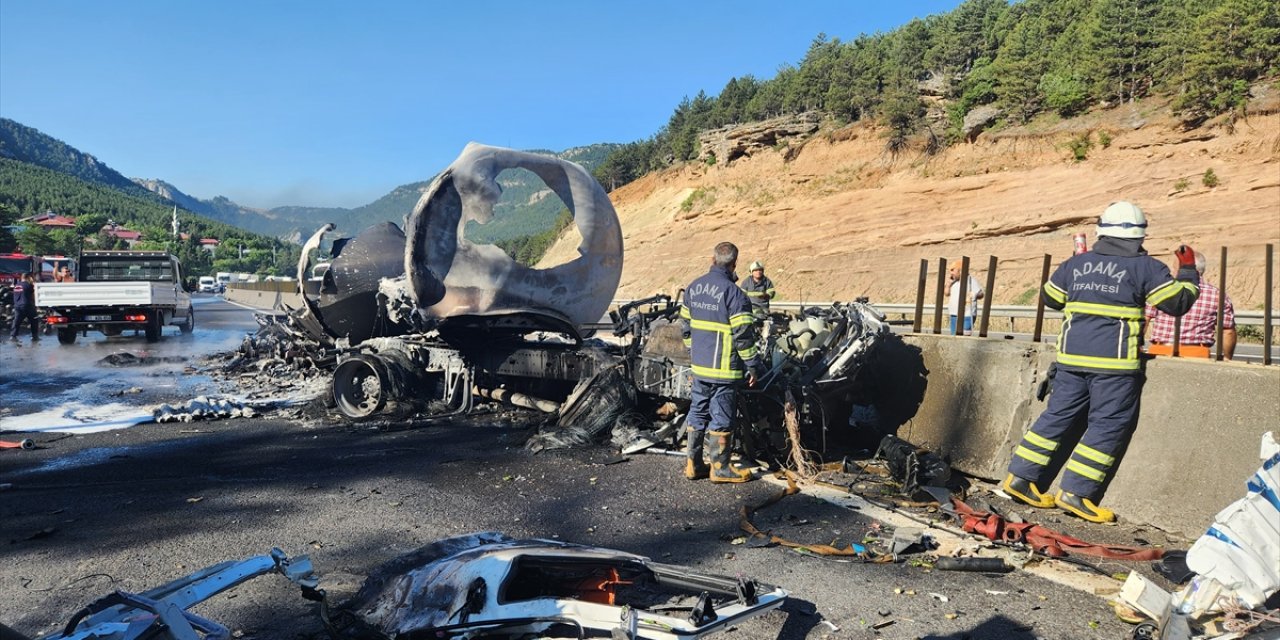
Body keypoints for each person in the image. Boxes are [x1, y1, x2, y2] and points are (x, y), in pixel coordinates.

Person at [1001, 201, 1199, 523]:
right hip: (1114, 366)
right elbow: (1177, 303)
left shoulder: (1076, 264)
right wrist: (1188, 270)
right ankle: (1075, 494)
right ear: (1139, 235)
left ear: (1101, 231)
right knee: (1107, 424)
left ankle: (1019, 479)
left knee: (1056, 417)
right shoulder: (1147, 267)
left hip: (1070, 360)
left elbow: (1051, 298)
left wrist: (1080, 273)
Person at [680, 242, 763, 483]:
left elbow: (685, 329)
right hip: (723, 369)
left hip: (699, 367)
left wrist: (694, 354)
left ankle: (693, 465)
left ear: (712, 259)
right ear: (734, 264)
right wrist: (752, 366)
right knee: (722, 415)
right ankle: (720, 468)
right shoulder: (735, 294)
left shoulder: (693, 288)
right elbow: (744, 337)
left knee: (697, 411)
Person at [1145, 249, 1236, 360]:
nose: (1172, 272)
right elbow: (1228, 331)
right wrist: (1227, 357)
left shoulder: (1163, 289)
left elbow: (1145, 319)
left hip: (1159, 351)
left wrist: (1136, 346)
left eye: (1174, 268)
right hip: (1197, 353)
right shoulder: (1218, 295)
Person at [947, 262, 984, 335]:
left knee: (964, 337)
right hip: (954, 315)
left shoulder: (970, 280)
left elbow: (981, 294)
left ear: (960, 270)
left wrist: (975, 295)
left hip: (967, 315)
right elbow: (946, 293)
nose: (951, 274)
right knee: (954, 338)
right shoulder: (953, 282)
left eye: (953, 271)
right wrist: (948, 285)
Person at [8, 274, 40, 344]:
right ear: (28, 277)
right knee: (34, 320)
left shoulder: (17, 285)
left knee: (16, 321)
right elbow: (33, 295)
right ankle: (34, 336)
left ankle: (13, 336)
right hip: (27, 305)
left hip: (17, 305)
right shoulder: (28, 285)